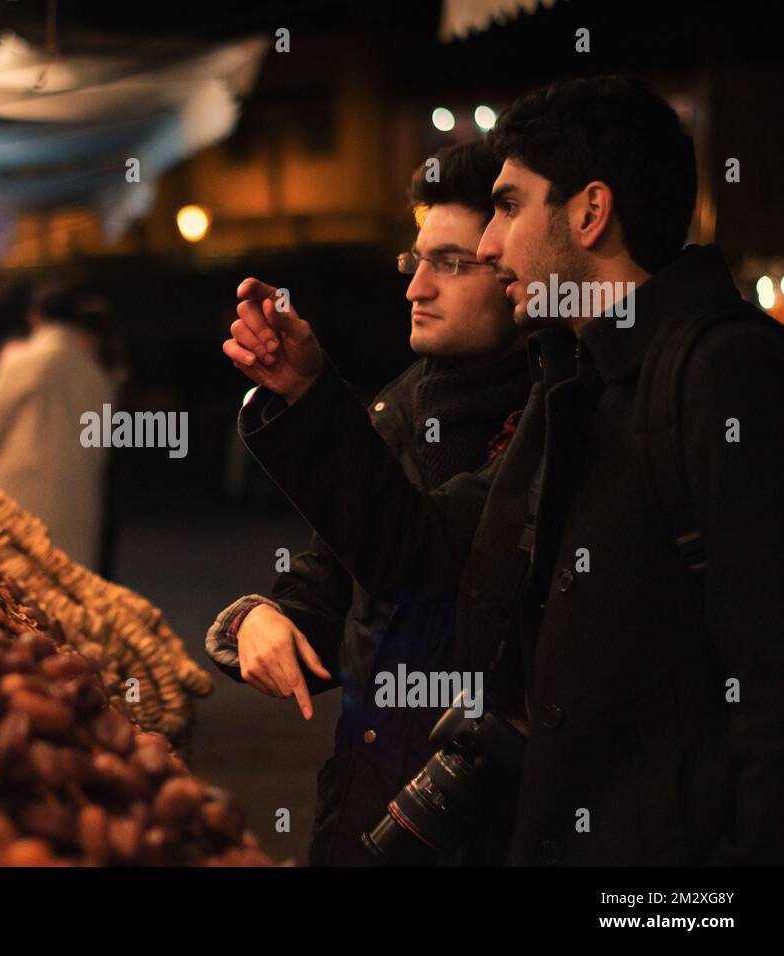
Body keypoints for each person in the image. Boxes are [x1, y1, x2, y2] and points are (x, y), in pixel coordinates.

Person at [223, 75, 784, 865]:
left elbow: (769, 682)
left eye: (510, 207)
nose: (492, 245)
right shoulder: (576, 380)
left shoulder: (722, 371)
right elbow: (426, 554)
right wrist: (309, 398)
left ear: (590, 213)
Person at [207, 141, 530, 865]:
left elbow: (422, 559)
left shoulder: (548, 423)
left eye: (450, 263)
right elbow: (334, 584)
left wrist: (314, 399)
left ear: (515, 267)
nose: (417, 288)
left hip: (472, 831)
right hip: (359, 804)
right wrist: (263, 618)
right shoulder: (401, 403)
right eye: (415, 261)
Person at [0, 284, 116, 569]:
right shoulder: (98, 375)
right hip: (80, 508)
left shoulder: (18, 359)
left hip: (22, 506)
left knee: (19, 599)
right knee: (72, 597)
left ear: (34, 318)